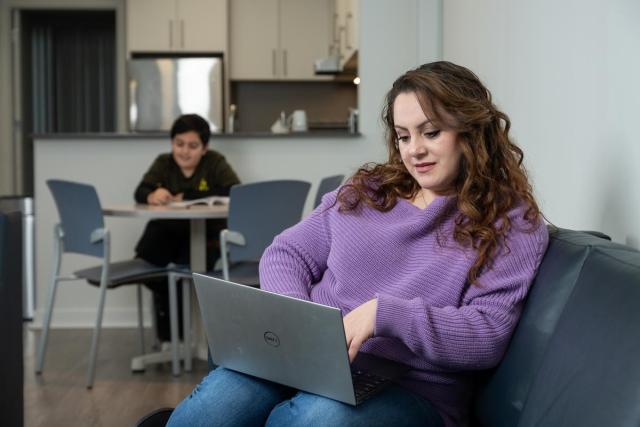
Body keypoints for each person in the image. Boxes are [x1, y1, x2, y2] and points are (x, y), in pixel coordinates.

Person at [167, 62, 550, 427]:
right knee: (215, 407)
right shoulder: (367, 191)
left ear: (471, 131)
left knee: (315, 421)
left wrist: (387, 315)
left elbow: (486, 335)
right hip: (308, 361)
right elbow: (287, 254)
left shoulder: (511, 222)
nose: (414, 149)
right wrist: (299, 323)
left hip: (412, 387)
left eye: (431, 132)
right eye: (403, 136)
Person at [134, 113, 240, 343]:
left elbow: (234, 190)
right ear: (172, 143)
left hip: (208, 237)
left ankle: (193, 339)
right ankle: (173, 338)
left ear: (204, 148)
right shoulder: (164, 162)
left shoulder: (214, 161)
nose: (184, 151)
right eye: (179, 144)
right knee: (155, 252)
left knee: (183, 274)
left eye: (193, 146)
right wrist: (152, 194)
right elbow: (140, 191)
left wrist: (187, 195)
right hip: (170, 236)